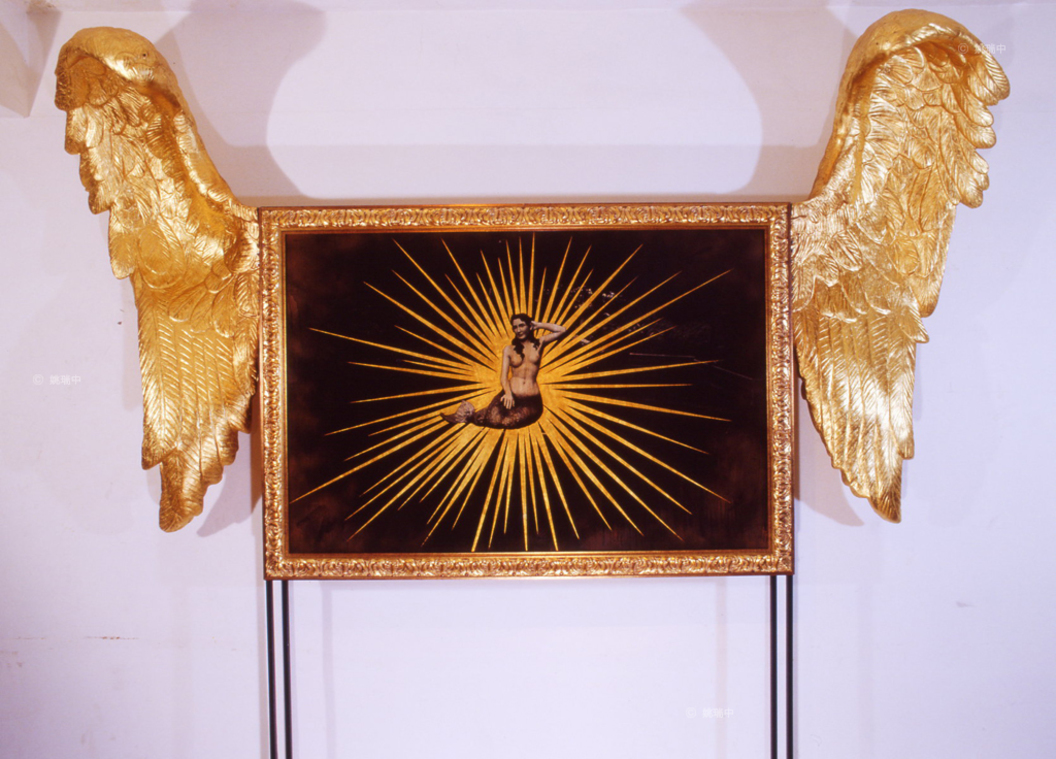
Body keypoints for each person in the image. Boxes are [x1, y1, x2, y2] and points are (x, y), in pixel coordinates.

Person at [442, 314, 566, 429]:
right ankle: (465, 415)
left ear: (529, 326)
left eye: (522, 325)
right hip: (510, 395)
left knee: (505, 422)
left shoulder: (539, 343)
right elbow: (503, 377)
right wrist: (508, 393)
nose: (518, 330)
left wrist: (539, 325)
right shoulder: (509, 350)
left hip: (531, 402)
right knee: (493, 418)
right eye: (515, 327)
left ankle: (469, 415)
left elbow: (562, 330)